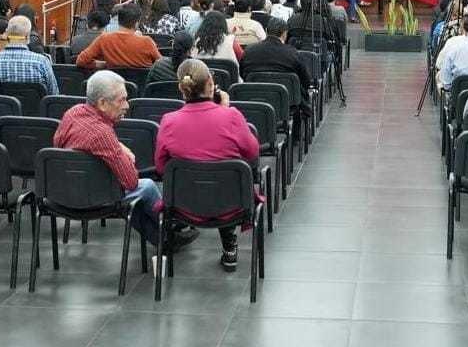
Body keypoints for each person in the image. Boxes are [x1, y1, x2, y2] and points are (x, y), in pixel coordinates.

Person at [54, 71, 191, 253]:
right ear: (102, 103)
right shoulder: (102, 134)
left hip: (64, 192)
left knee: (134, 198)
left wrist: (117, 146)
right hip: (94, 199)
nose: (127, 105)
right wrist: (122, 154)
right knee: (146, 186)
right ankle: (170, 228)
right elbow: (131, 181)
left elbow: (59, 143)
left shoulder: (72, 113)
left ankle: (165, 239)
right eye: (122, 100)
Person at [155, 59, 259, 272]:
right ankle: (229, 245)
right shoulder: (231, 116)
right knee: (226, 178)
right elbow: (252, 152)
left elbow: (160, 166)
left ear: (181, 88)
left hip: (183, 204)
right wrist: (225, 111)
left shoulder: (168, 120)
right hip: (231, 203)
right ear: (211, 84)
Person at [0, 16, 59, 95]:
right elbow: (54, 95)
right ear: (28, 38)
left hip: (2, 112)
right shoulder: (42, 62)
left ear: (6, 35)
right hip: (36, 113)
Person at [239, 19, 313, 110]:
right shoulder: (293, 53)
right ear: (284, 34)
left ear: (266, 31)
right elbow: (306, 80)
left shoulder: (249, 51)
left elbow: (242, 74)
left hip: (255, 101)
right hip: (288, 104)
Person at [76, 3, 162, 71]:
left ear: (118, 19)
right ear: (136, 23)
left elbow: (80, 61)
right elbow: (161, 65)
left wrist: (105, 64)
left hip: (113, 90)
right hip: (143, 91)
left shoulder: (104, 39)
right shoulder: (147, 42)